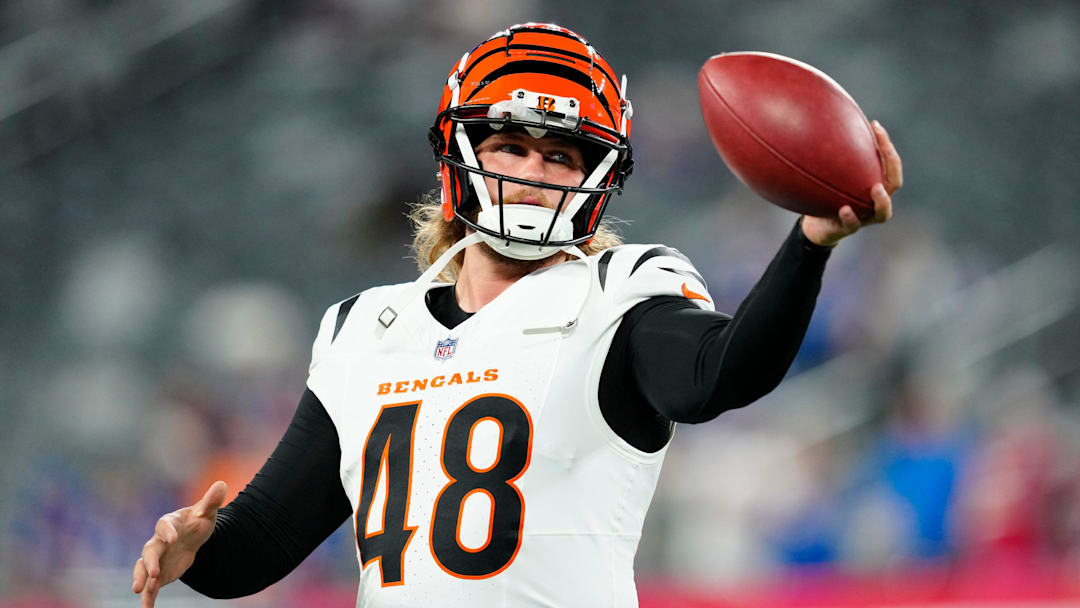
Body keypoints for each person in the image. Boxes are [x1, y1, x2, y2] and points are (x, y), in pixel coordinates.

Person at [132, 22, 901, 607]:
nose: (534, 173)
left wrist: (808, 245)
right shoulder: (365, 328)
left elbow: (720, 374)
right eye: (509, 146)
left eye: (561, 155)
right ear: (460, 154)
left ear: (596, 177)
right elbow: (265, 542)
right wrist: (197, 551)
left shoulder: (618, 293)